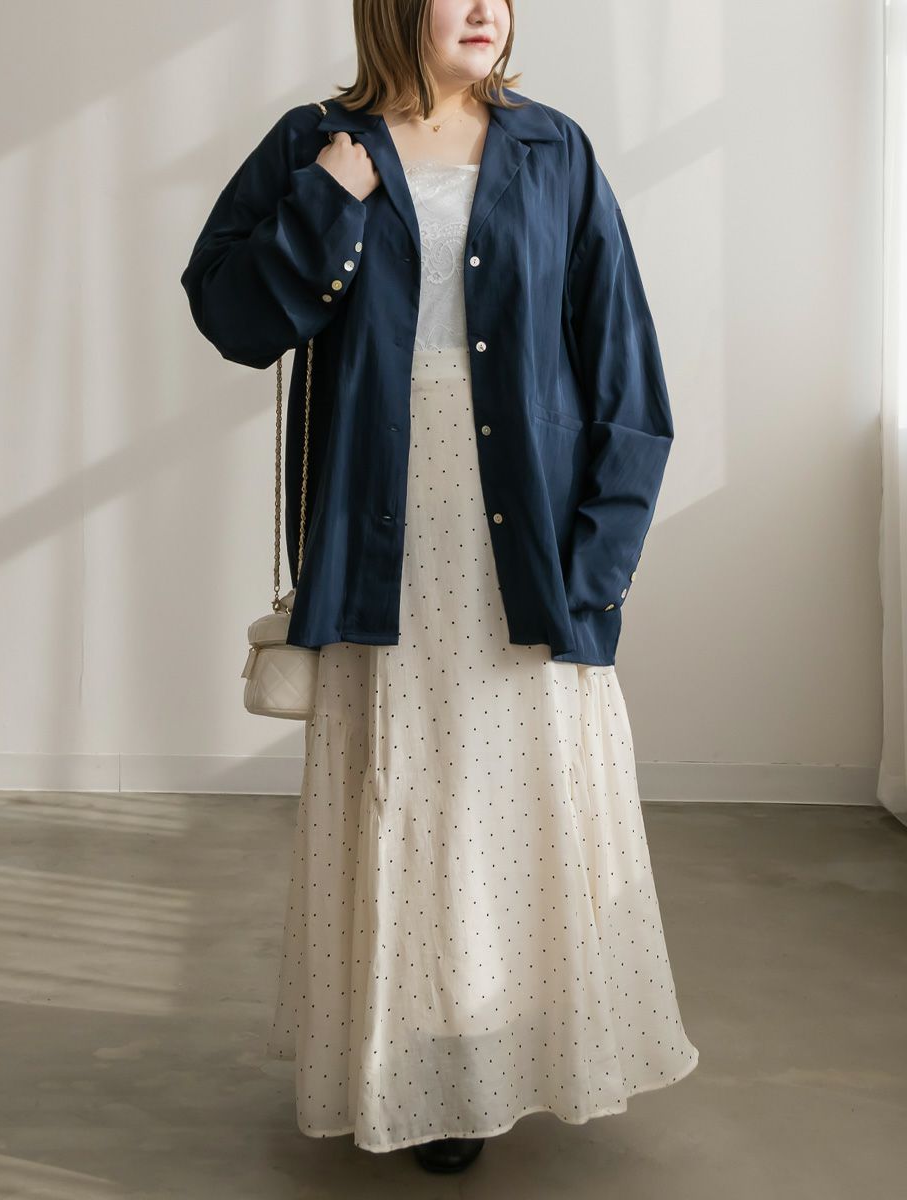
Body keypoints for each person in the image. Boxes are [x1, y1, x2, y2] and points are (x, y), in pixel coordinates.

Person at [181, 0, 699, 1175]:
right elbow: (235, 318)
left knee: (516, 794)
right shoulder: (316, 143)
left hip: (524, 547)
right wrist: (329, 195)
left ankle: (505, 1048)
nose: (482, 8)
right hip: (382, 534)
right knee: (404, 792)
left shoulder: (553, 149)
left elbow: (624, 367)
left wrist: (597, 568)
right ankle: (419, 1062)